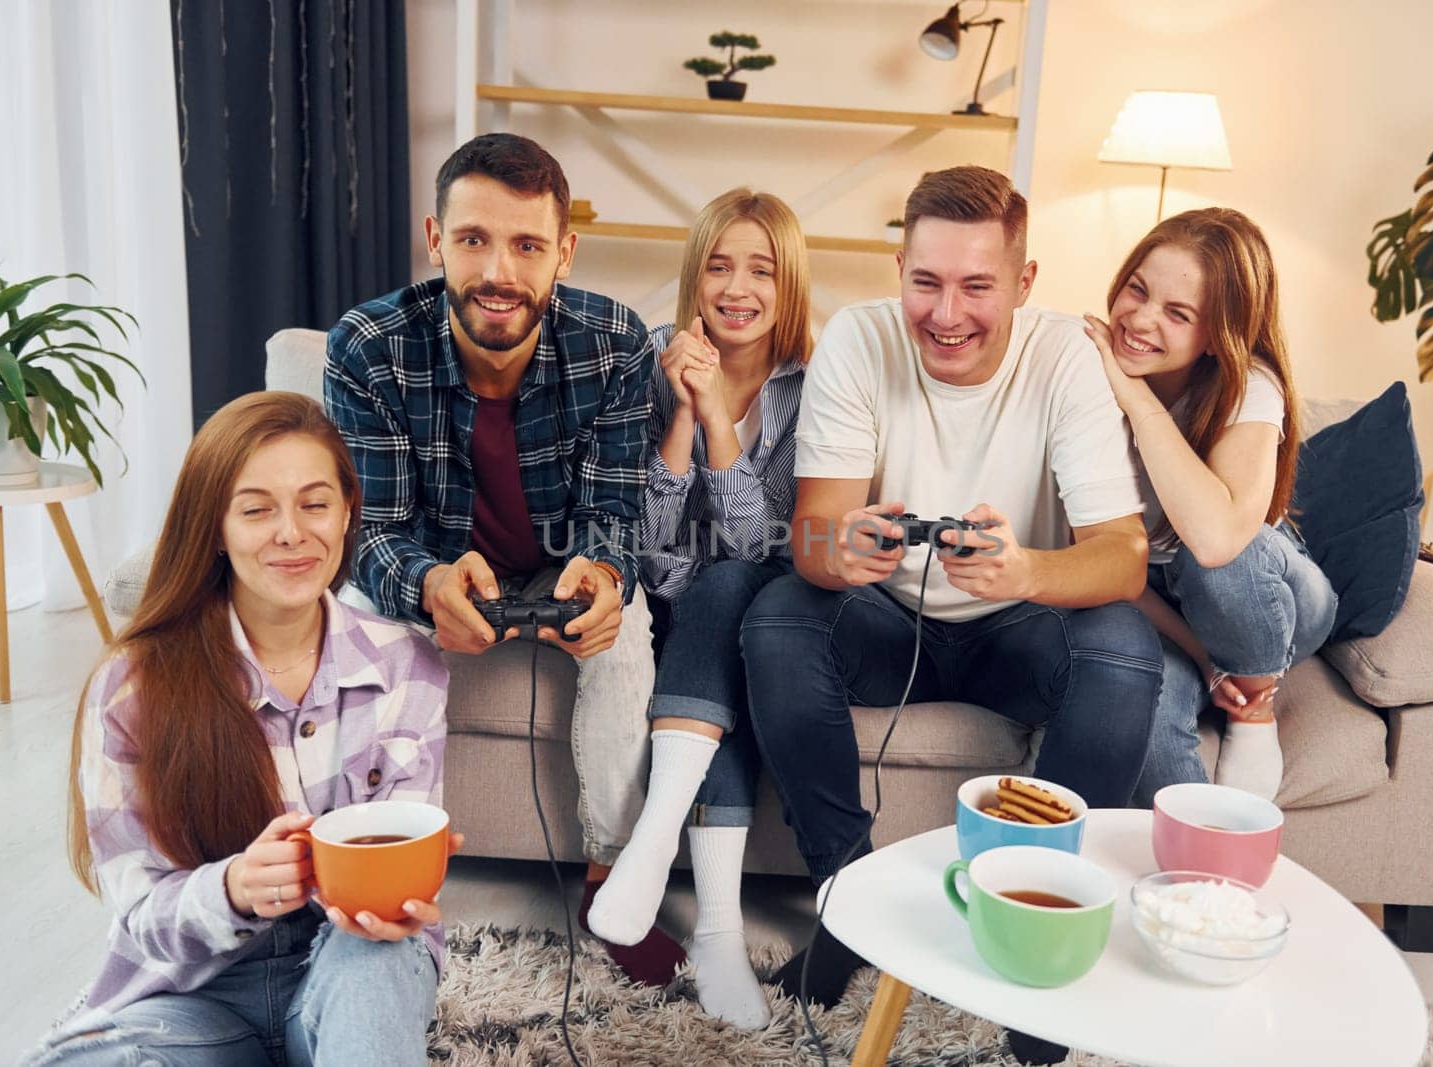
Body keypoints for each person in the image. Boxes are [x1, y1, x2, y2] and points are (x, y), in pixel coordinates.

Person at [740, 166, 1164, 1017]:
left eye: (977, 286)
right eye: (925, 282)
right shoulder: (860, 340)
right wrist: (844, 548)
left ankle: (1042, 913)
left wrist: (1028, 571)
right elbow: (813, 534)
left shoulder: (1065, 360)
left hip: (1021, 626)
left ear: (1024, 282)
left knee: (1124, 646)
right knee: (778, 616)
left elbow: (1123, 557)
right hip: (886, 623)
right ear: (899, 269)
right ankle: (847, 905)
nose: (946, 313)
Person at [322, 133, 683, 985]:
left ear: (564, 251)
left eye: (527, 245)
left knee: (627, 635)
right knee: (362, 620)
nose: (499, 272)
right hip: (437, 563)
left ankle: (611, 881)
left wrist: (603, 575)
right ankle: (376, 867)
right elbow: (369, 529)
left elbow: (613, 512)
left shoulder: (614, 342)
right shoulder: (366, 346)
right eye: (475, 239)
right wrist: (427, 583)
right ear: (435, 236)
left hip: (556, 567)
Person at [29, 393, 453, 1066]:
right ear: (216, 527)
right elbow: (139, 909)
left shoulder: (409, 665)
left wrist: (402, 889)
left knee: (378, 965)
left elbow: (403, 873)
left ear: (348, 512)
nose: (291, 532)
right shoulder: (132, 686)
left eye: (315, 504)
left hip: (346, 966)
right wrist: (232, 888)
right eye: (257, 509)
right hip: (190, 996)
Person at [586, 189, 811, 1028]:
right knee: (709, 600)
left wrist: (719, 415)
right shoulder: (645, 360)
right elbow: (647, 551)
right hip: (667, 606)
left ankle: (658, 854)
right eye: (719, 266)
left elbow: (759, 545)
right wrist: (680, 415)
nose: (737, 288)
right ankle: (717, 933)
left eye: (761, 269)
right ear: (694, 277)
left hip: (756, 608)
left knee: (734, 590)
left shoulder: (811, 388)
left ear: (788, 286)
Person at [1080, 207, 1337, 804]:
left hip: (1269, 596)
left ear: (1220, 335)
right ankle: (1200, 876)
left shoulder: (1250, 384)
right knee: (1144, 701)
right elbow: (1109, 567)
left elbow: (1218, 542)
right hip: (1155, 599)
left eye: (1178, 313)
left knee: (1217, 560)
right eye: (1137, 290)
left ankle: (1255, 709)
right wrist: (1203, 661)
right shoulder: (1077, 376)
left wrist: (1135, 400)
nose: (1139, 320)